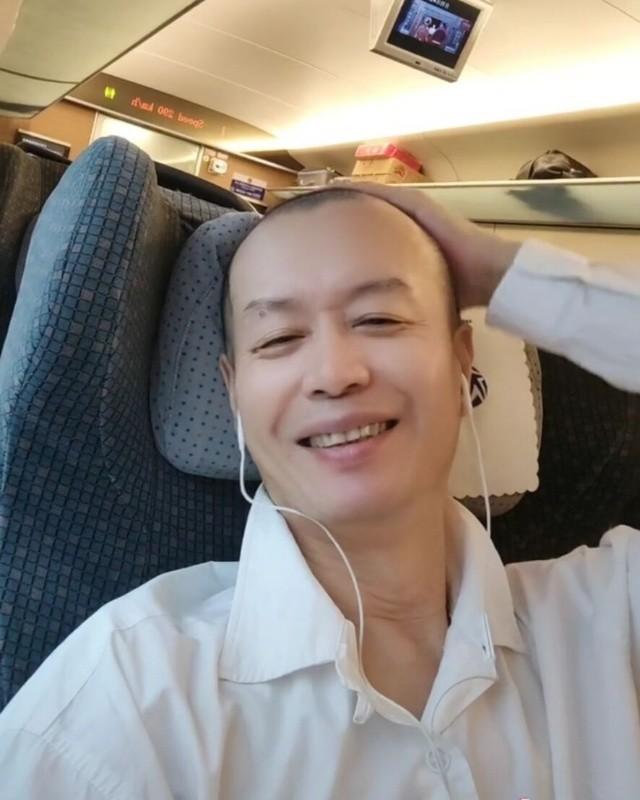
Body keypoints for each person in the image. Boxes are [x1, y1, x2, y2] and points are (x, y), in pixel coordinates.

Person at [0, 182, 639, 799]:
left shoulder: (608, 617)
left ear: (460, 363)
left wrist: (499, 273)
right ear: (234, 394)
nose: (334, 374)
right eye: (280, 338)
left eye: (380, 319)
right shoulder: (131, 696)